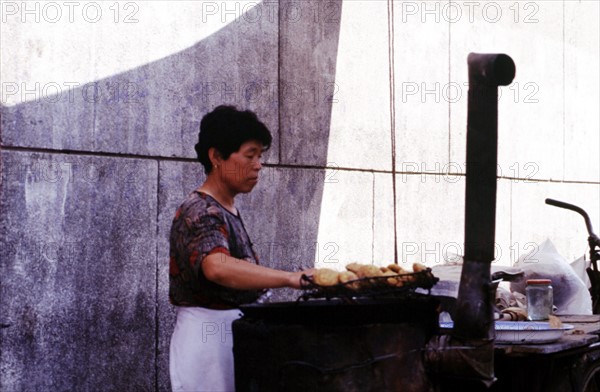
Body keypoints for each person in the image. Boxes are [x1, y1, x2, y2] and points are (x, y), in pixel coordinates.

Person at [168, 105, 312, 392]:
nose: (258, 165)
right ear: (217, 156)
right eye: (250, 155)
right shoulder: (200, 210)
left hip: (231, 336)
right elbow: (216, 266)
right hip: (208, 344)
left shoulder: (224, 208)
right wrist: (288, 278)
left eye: (260, 156)